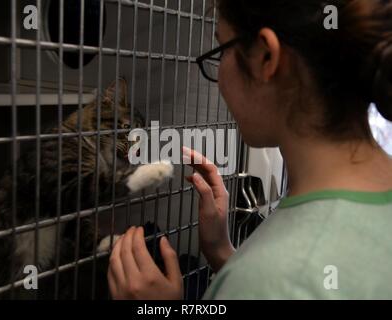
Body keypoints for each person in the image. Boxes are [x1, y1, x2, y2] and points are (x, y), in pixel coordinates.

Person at [107, 0, 392, 299]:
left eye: (222, 50)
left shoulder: (274, 279)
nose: (218, 79)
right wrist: (222, 253)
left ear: (265, 57)